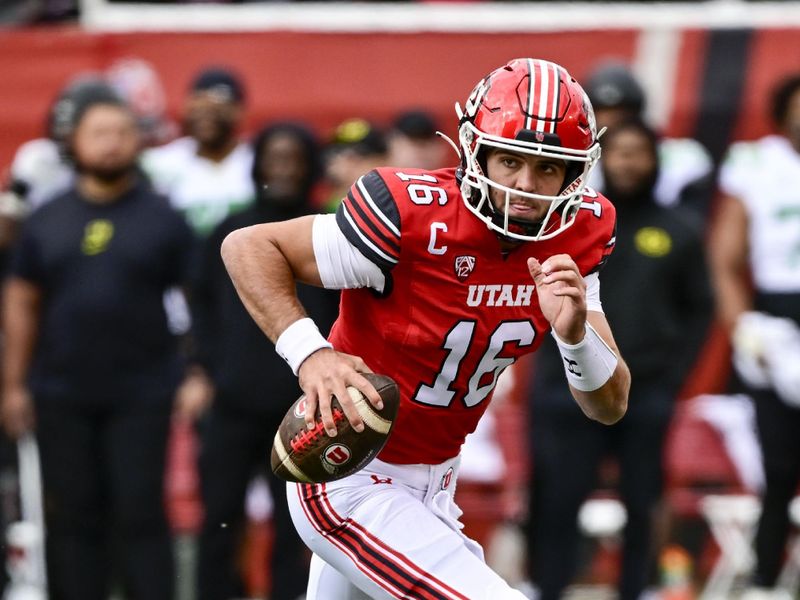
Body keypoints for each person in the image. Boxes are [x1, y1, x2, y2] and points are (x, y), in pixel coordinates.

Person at [221, 57, 631, 599]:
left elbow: (609, 404)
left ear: (574, 175)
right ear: (476, 151)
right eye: (510, 161)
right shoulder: (413, 217)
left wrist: (575, 335)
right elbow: (249, 246)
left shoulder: (578, 235)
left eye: (547, 169)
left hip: (436, 483)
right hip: (352, 472)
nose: (525, 187)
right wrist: (311, 354)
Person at [0, 93, 207, 600]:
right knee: (72, 512)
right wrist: (13, 385)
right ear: (74, 142)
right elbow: (22, 300)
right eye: (99, 133)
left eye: (121, 132)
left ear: (139, 141)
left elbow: (196, 298)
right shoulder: (47, 219)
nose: (111, 143)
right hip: (60, 391)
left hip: (143, 391)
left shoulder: (164, 218)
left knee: (139, 509)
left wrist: (198, 370)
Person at [526, 117, 713, 600]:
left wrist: (672, 375)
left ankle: (635, 591)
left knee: (642, 501)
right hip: (568, 388)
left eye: (639, 152)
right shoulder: (572, 224)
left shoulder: (680, 229)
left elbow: (701, 308)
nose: (629, 162)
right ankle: (549, 590)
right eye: (621, 152)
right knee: (558, 500)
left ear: (655, 160)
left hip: (647, 391)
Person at [192, 122, 339, 600]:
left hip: (303, 408)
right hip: (231, 403)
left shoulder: (327, 235)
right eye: (274, 157)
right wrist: (204, 369)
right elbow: (199, 307)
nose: (284, 169)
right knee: (218, 518)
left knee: (299, 528)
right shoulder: (230, 233)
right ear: (257, 164)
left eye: (294, 158)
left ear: (311, 167)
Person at [709, 73, 800, 599]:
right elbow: (725, 257)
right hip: (778, 321)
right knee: (780, 464)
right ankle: (766, 579)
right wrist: (741, 325)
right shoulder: (758, 165)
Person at [584, 60, 714, 214]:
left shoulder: (684, 159)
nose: (610, 121)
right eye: (601, 112)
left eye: (621, 112)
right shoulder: (577, 163)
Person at [141, 66, 254, 237]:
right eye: (200, 110)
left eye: (215, 110)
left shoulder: (257, 162)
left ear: (238, 110)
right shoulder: (160, 163)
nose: (206, 121)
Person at [320, 117, 387, 212]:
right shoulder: (325, 202)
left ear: (382, 159)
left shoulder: (388, 204)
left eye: (357, 156)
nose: (344, 162)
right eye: (337, 152)